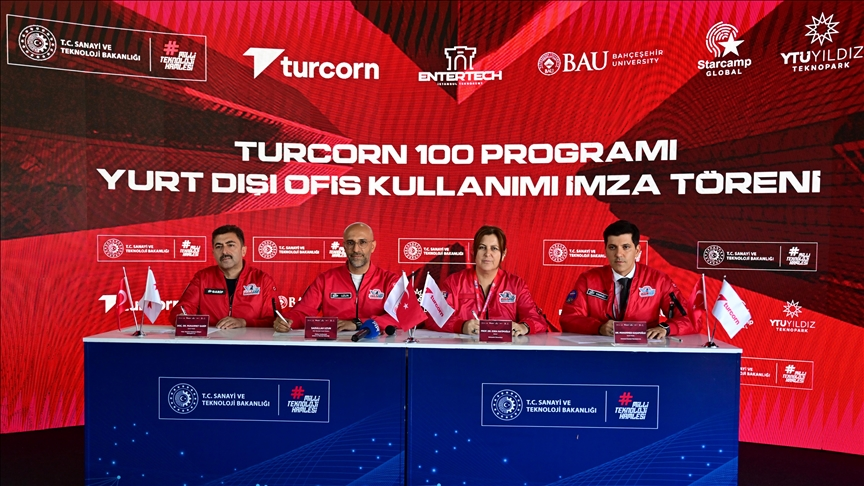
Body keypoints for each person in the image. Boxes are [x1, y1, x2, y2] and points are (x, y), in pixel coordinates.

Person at [274, 222, 423, 332]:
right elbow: (303, 312)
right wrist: (288, 320)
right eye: (350, 243)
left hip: (379, 349)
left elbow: (405, 316)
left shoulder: (391, 281)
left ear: (372, 246)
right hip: (336, 349)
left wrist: (358, 323)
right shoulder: (326, 280)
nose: (356, 249)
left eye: (362, 242)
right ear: (344, 246)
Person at [560, 220, 695, 338]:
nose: (619, 254)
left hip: (644, 352)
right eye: (612, 247)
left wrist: (666, 328)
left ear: (637, 250)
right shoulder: (588, 280)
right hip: (600, 352)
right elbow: (568, 318)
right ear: (605, 250)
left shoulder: (659, 280)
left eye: (626, 247)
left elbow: (689, 319)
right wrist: (599, 328)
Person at [428, 226, 548, 336]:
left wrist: (524, 327)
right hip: (465, 349)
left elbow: (537, 319)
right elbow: (434, 317)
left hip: (505, 349)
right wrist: (462, 326)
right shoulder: (455, 282)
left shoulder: (516, 285)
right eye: (482, 247)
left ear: (503, 254)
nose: (487, 253)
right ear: (474, 251)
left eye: (494, 248)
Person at [170, 225, 278, 329]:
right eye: (219, 246)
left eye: (230, 245)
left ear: (243, 250)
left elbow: (275, 321)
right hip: (212, 341)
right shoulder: (202, 278)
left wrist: (244, 323)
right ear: (213, 253)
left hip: (251, 341)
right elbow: (181, 310)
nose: (224, 251)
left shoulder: (262, 280)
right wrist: (181, 318)